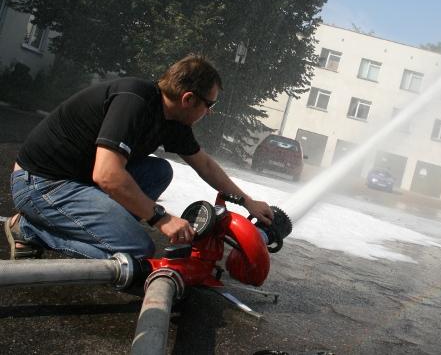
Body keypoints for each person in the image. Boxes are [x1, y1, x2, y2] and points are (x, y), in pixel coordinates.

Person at [5, 54, 273, 260]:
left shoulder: (172, 119)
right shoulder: (133, 101)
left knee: (160, 171)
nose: (210, 112)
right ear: (189, 99)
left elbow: (204, 164)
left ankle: (104, 229)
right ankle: (29, 229)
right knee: (136, 250)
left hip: (79, 180)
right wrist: (161, 219)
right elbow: (106, 174)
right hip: (40, 184)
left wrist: (247, 201)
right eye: (210, 104)